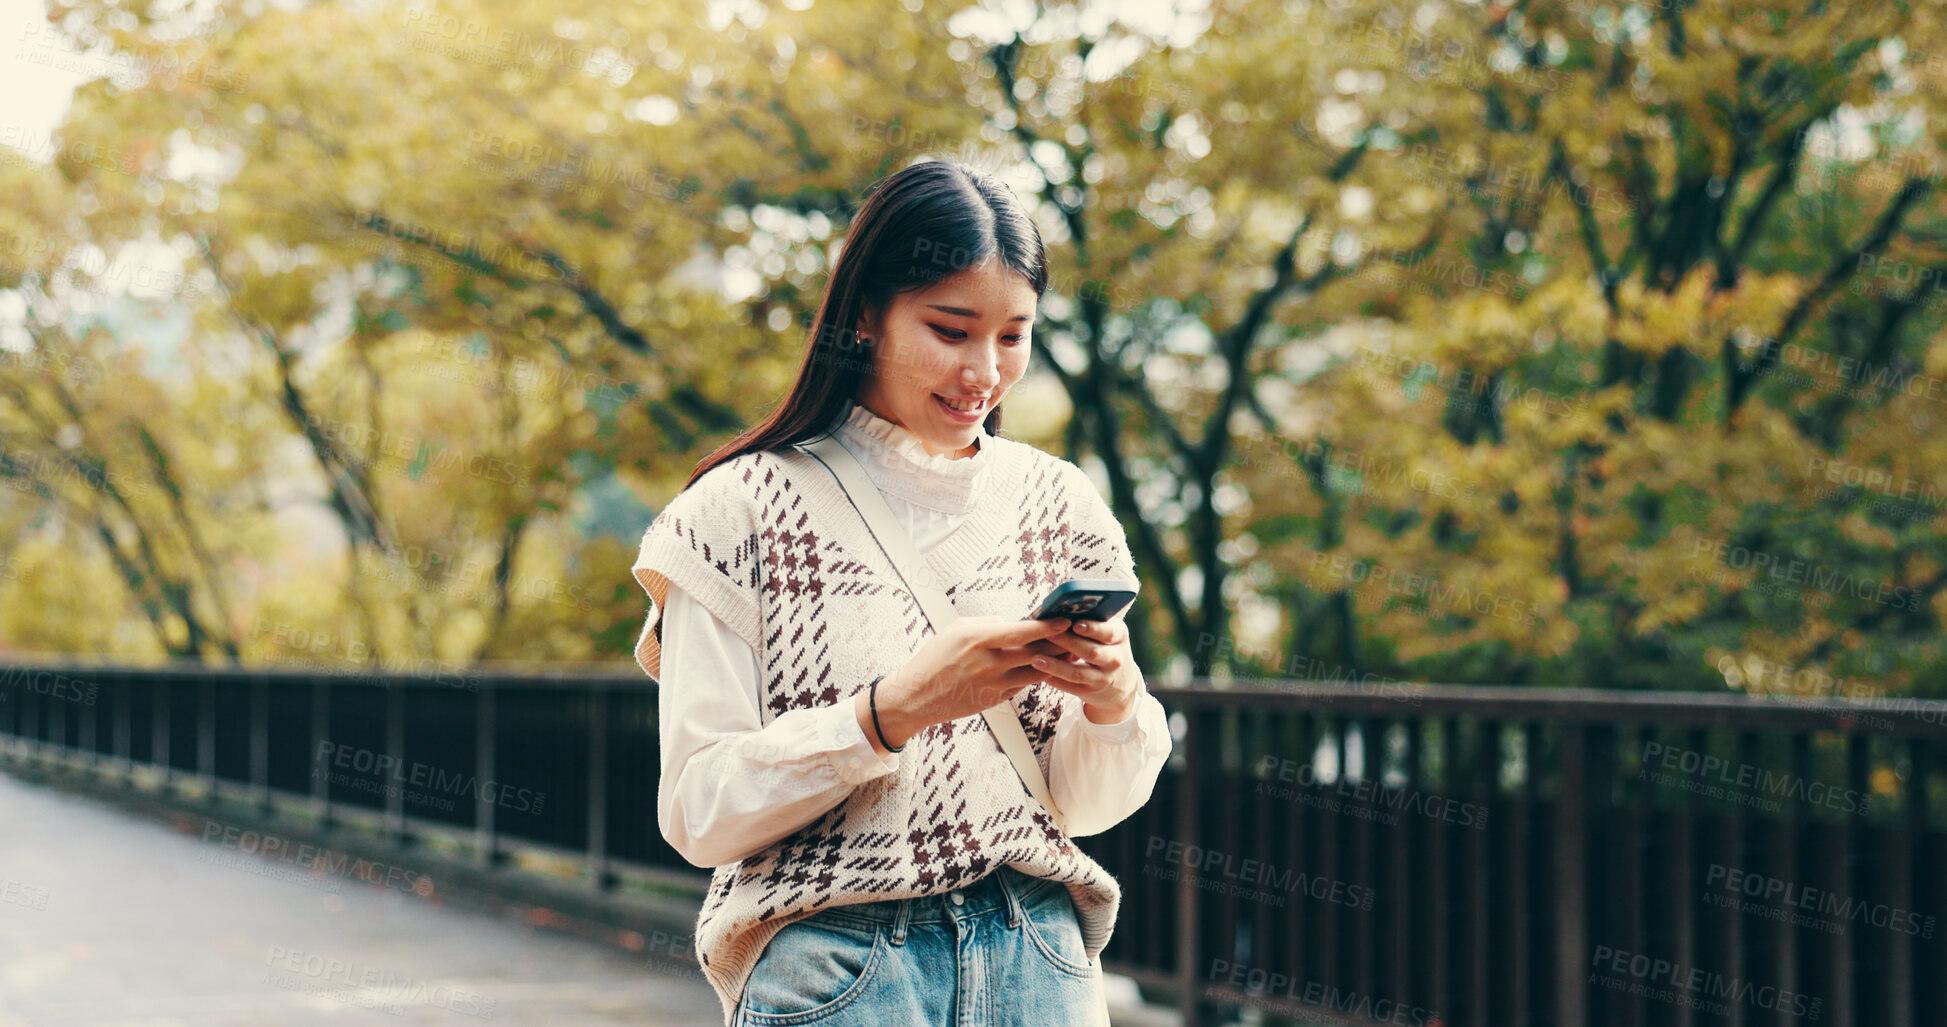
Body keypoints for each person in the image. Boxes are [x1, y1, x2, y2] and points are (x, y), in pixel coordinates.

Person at [631, 158, 1172, 1026]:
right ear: (862, 318)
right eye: (950, 329)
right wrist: (890, 712)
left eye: (1012, 335)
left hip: (1039, 951)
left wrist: (1112, 701)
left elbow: (1085, 804)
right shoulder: (736, 512)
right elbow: (699, 810)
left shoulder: (1058, 503)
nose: (984, 371)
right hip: (840, 965)